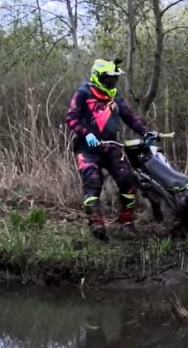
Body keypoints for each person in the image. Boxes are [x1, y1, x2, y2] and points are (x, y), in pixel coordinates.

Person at [65, 58, 156, 240]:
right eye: (109, 78)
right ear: (99, 77)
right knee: (92, 181)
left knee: (127, 180)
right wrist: (86, 134)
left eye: (115, 79)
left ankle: (126, 222)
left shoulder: (115, 96)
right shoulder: (84, 92)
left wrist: (145, 133)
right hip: (87, 148)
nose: (112, 82)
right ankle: (96, 224)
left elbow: (130, 117)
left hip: (110, 146)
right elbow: (71, 118)